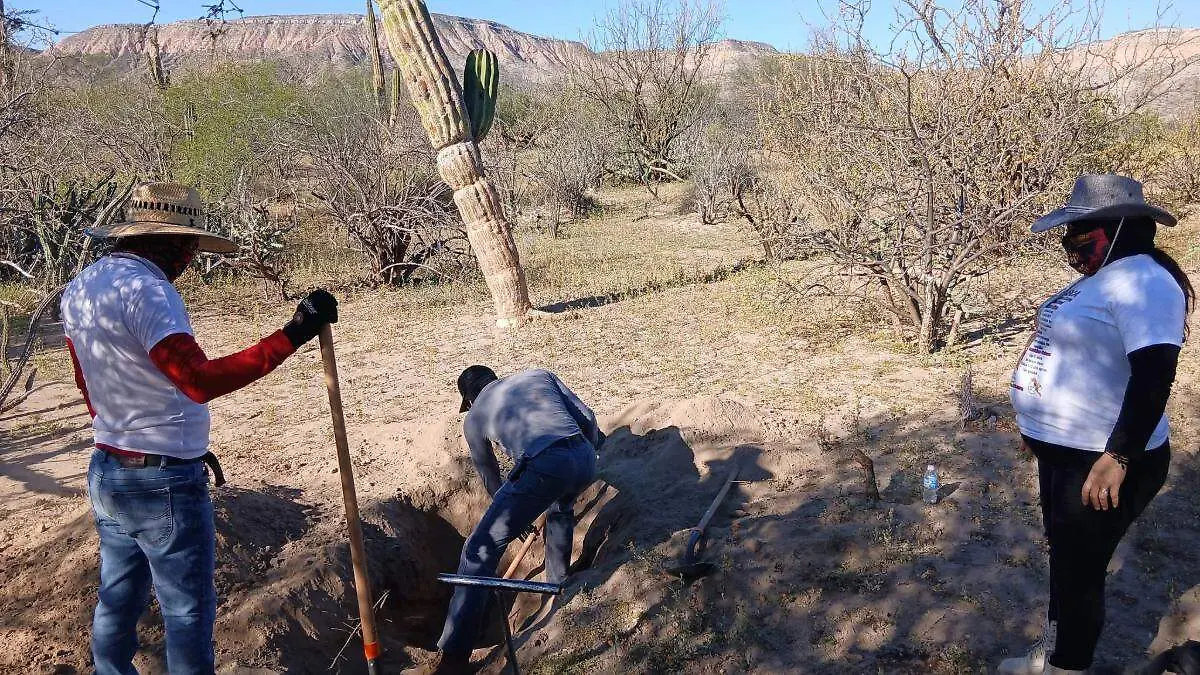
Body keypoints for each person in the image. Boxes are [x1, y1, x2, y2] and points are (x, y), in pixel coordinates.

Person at [60, 182, 339, 675]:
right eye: (189, 246)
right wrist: (293, 333)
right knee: (186, 612)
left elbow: (87, 381)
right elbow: (197, 381)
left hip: (109, 469)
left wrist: (144, 435)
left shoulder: (83, 286)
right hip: (161, 481)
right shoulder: (147, 290)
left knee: (118, 599)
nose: (190, 259)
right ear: (166, 241)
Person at [1001, 175, 1193, 675]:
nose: (1071, 243)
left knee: (1079, 571)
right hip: (1066, 452)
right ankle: (1052, 654)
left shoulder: (1145, 282)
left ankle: (1067, 669)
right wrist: (1037, 424)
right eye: (1069, 233)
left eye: (1081, 232)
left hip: (1102, 458)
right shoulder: (1106, 277)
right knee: (1065, 561)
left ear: (1121, 227)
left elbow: (1154, 375)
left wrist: (1119, 455)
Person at [423, 366, 601, 674]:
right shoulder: (539, 375)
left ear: (469, 399)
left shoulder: (474, 417)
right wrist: (587, 451)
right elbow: (587, 417)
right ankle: (558, 584)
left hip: (545, 466)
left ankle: (454, 657)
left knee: (478, 549)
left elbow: (491, 478)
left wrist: (512, 514)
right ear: (494, 379)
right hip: (584, 458)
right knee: (561, 507)